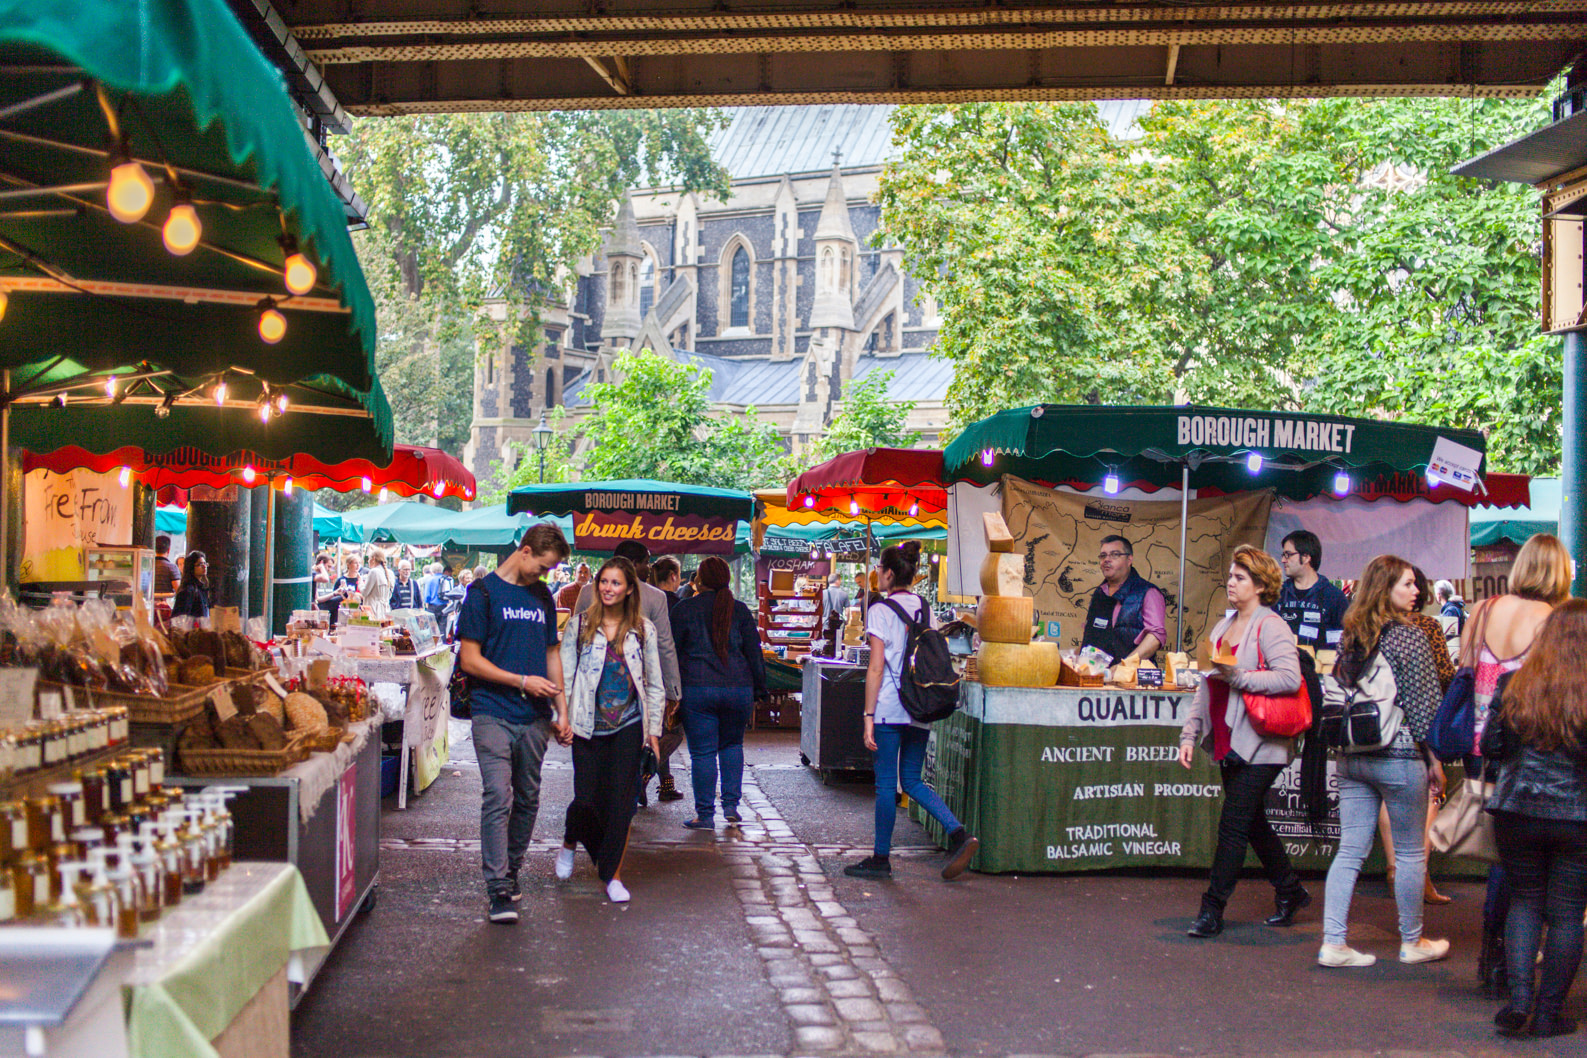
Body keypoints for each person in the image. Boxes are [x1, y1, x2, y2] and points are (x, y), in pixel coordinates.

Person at [1316, 555, 1449, 969]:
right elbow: (1424, 706)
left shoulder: (1352, 635)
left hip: (1352, 754)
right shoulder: (1410, 636)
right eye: (1407, 584)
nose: (1416, 591)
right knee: (1409, 853)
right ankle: (1412, 940)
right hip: (1400, 754)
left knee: (1350, 851)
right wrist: (1435, 760)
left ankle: (1333, 942)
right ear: (1385, 588)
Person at [1176, 544, 1307, 938]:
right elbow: (1205, 686)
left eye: (1240, 577)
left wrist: (1240, 677)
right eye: (1231, 576)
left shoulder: (1272, 626)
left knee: (1233, 825)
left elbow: (1290, 678)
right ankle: (1290, 890)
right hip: (1227, 740)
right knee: (1252, 824)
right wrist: (1189, 733)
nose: (1230, 583)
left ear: (1260, 585)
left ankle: (1211, 910)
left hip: (1263, 743)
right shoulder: (1222, 626)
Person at [1463, 533, 1572, 996]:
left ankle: (1492, 952)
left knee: (1501, 853)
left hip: (1478, 743)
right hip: (1522, 748)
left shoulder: (1483, 610)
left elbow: (1464, 672)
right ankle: (1513, 960)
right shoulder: (1554, 621)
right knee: (1522, 867)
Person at [1481, 599, 1587, 1039]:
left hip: (1517, 809)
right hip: (1578, 816)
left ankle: (1519, 1001)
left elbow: (1490, 747)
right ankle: (1548, 1013)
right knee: (1567, 915)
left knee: (1524, 902)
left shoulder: (1514, 684)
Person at [844, 541, 979, 882]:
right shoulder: (924, 607)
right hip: (920, 705)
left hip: (890, 707)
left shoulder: (879, 610)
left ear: (890, 574)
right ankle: (958, 834)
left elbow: (876, 668)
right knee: (913, 780)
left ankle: (880, 858)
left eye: (879, 568)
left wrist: (868, 716)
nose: (877, 573)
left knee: (886, 785)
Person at [456, 523, 571, 924]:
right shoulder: (482, 593)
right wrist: (521, 681)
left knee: (527, 798)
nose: (546, 574)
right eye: (543, 566)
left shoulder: (543, 596)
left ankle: (511, 868)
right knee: (497, 795)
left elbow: (552, 654)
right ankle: (498, 888)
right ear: (524, 551)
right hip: (491, 711)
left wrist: (562, 710)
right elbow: (470, 660)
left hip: (535, 717)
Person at [556, 557, 665, 903]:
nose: (608, 588)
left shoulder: (643, 630)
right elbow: (565, 676)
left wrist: (653, 734)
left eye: (616, 583)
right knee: (586, 801)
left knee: (622, 805)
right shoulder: (580, 626)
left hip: (628, 727)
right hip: (586, 726)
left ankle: (612, 875)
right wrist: (562, 718)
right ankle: (570, 838)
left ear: (629, 589)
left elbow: (654, 685)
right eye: (604, 581)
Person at [575, 541, 683, 802]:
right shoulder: (655, 597)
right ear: (633, 564)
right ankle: (626, 791)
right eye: (646, 561)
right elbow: (664, 645)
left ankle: (604, 793)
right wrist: (673, 691)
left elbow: (577, 637)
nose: (649, 567)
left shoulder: (589, 592)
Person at [669, 556, 767, 829]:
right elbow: (754, 652)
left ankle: (705, 815)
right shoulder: (740, 610)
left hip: (697, 689)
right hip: (738, 689)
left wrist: (670, 691)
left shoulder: (684, 609)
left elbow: (671, 652)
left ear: (700, 580)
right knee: (732, 745)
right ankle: (731, 806)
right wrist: (760, 688)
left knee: (702, 753)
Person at [1377, 566, 1455, 906]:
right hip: (1415, 728)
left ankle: (1394, 869)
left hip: (1376, 729)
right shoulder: (1424, 628)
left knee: (1386, 798)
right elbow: (1444, 675)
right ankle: (1418, 876)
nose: (1415, 591)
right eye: (1409, 584)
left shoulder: (1367, 626)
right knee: (1430, 797)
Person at [1081, 535, 1166, 665]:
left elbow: (1155, 638)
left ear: (1129, 559)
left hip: (1130, 676)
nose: (1107, 560)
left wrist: (1122, 666)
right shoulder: (1099, 592)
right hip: (1095, 675)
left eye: (1115, 555)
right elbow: (1089, 638)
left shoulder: (1148, 592)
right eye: (1103, 556)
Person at [1275, 529, 1350, 652]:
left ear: (1305, 557)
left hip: (1320, 663)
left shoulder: (1334, 597)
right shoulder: (1278, 594)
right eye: (1283, 555)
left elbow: (1346, 641)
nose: (1283, 560)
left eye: (1288, 554)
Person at [170, 551, 210, 620]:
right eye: (200, 564)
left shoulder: (202, 588)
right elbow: (179, 617)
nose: (204, 566)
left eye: (205, 563)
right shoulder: (188, 590)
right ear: (191, 567)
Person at [361, 550, 393, 620]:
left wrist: (360, 582)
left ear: (373, 559)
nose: (368, 561)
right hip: (386, 610)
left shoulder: (374, 571)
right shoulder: (390, 573)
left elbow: (364, 592)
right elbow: (390, 595)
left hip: (373, 610)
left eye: (369, 559)